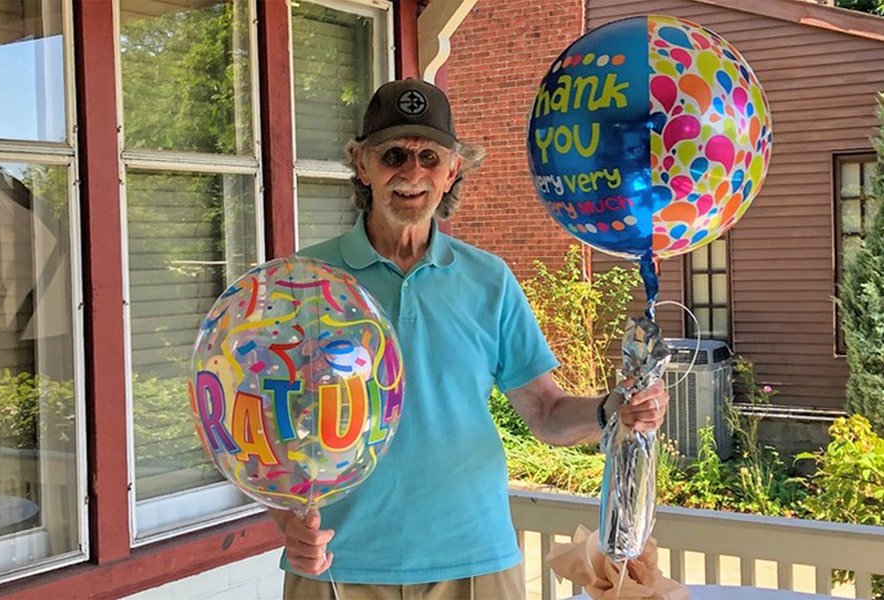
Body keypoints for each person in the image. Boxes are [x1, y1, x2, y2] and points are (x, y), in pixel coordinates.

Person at [270, 78, 669, 600]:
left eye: (430, 158)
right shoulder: (305, 280)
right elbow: (268, 429)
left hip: (475, 559)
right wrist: (284, 522)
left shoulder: (490, 280)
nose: (413, 173)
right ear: (362, 165)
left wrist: (612, 409)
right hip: (337, 561)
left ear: (452, 169)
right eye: (394, 154)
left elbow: (545, 413)